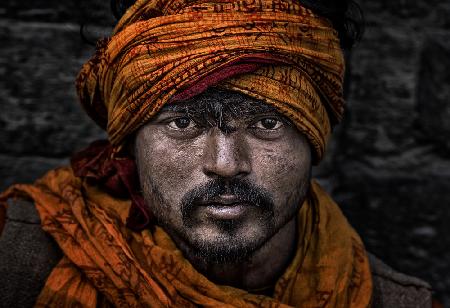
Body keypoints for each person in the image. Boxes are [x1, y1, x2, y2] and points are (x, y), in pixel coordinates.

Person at [0, 0, 433, 306]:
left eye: (267, 123)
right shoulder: (15, 261)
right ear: (130, 143)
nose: (225, 163)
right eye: (183, 123)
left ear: (315, 139)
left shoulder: (389, 299)